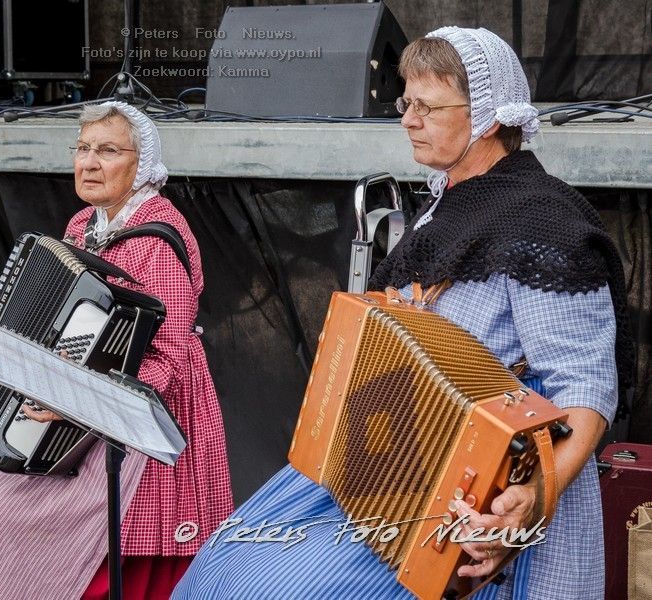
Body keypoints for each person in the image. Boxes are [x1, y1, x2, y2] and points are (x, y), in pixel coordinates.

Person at [173, 26, 632, 599]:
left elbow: (586, 389)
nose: (409, 121)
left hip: (487, 492)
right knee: (223, 567)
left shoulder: (544, 222)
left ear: (489, 118)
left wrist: (536, 496)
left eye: (427, 107)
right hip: (398, 467)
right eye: (406, 104)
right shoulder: (447, 201)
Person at [0, 101, 233, 600]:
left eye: (108, 151)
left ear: (143, 163)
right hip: (64, 413)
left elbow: (166, 361)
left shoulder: (160, 241)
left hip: (132, 427)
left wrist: (75, 397)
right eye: (82, 149)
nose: (89, 163)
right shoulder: (83, 224)